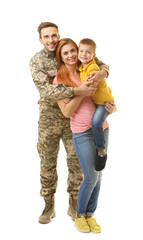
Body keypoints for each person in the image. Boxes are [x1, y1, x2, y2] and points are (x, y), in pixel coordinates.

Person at [29, 22, 110, 224]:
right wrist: (78, 91)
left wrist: (104, 73)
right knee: (47, 160)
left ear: (58, 35)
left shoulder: (70, 51)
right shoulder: (37, 61)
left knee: (76, 163)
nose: (51, 40)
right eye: (46, 37)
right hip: (50, 116)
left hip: (77, 117)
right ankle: (48, 206)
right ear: (40, 39)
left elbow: (98, 62)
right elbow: (47, 91)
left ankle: (74, 205)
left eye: (53, 35)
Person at [53, 38, 116, 233]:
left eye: (73, 50)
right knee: (90, 177)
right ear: (61, 58)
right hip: (82, 133)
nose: (71, 55)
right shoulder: (60, 80)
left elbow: (105, 74)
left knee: (99, 175)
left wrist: (111, 109)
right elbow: (65, 112)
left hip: (102, 128)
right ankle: (80, 215)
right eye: (66, 53)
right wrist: (80, 91)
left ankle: (90, 215)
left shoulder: (87, 67)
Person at [78, 38, 114, 171]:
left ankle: (101, 151)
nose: (83, 54)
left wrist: (102, 73)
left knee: (96, 123)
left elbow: (89, 86)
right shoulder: (82, 66)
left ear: (93, 55)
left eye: (88, 52)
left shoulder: (92, 67)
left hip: (104, 103)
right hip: (99, 101)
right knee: (95, 123)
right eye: (81, 51)